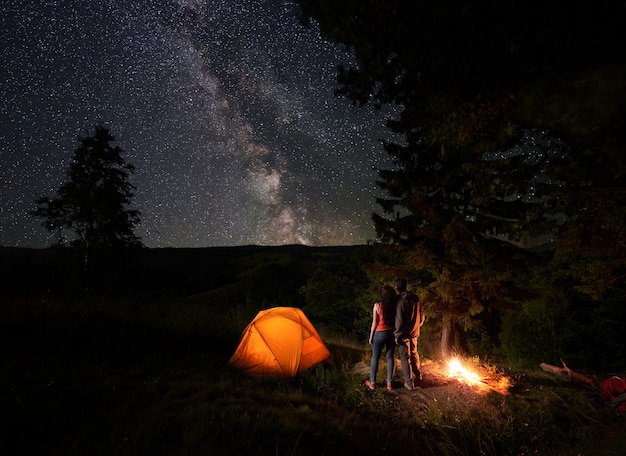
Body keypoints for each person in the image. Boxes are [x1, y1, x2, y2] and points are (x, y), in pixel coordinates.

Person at [394, 278, 425, 391]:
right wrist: (418, 325)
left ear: (398, 287)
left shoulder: (400, 301)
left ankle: (409, 383)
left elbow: (399, 320)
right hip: (414, 332)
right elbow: (422, 314)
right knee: (414, 352)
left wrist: (397, 334)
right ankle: (418, 375)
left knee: (405, 357)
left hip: (404, 334)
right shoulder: (415, 298)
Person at [365, 284, 397, 391]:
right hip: (391, 334)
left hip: (379, 333)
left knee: (375, 358)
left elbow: (375, 322)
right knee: (390, 357)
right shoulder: (394, 306)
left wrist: (371, 336)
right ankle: (389, 383)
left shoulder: (377, 306)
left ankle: (372, 383)